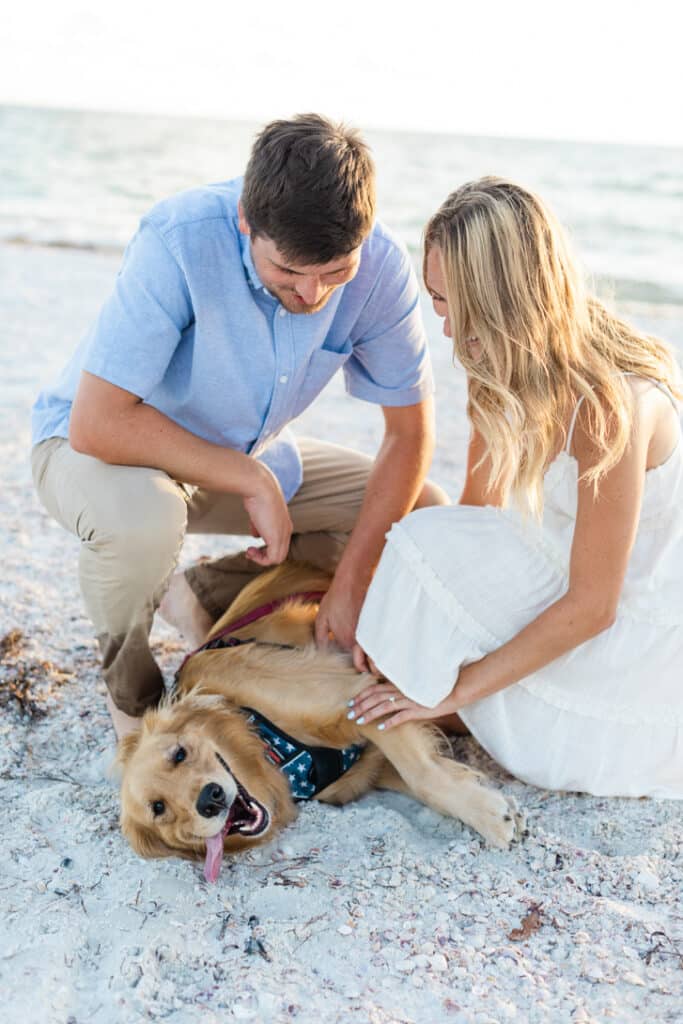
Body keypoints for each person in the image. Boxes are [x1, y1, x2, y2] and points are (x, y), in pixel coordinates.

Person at [31, 114, 447, 740]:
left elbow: (408, 436)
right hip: (97, 452)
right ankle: (137, 708)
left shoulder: (381, 266)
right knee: (145, 522)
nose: (312, 295)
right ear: (247, 222)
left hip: (241, 458)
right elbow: (98, 421)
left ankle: (197, 594)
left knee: (420, 515)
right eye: (288, 273)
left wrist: (353, 582)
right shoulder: (178, 237)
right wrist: (248, 477)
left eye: (335, 273)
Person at [350, 177, 683, 799]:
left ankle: (449, 705)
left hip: (628, 629)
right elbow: (478, 517)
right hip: (560, 574)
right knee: (425, 533)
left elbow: (595, 605)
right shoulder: (498, 374)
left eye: (456, 306)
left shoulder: (612, 404)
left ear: (505, 303)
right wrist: (410, 628)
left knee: (423, 538)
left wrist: (453, 688)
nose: (446, 329)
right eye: (436, 300)